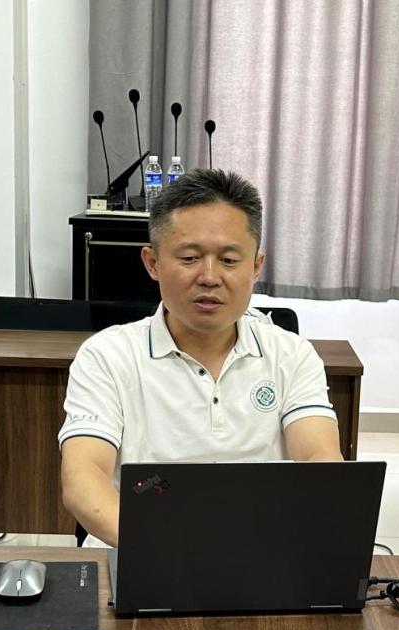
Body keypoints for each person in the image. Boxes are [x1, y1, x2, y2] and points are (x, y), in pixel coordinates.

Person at [58, 169, 342, 547]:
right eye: (190, 257)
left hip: (260, 550)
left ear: (256, 266)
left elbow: (320, 459)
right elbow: (83, 477)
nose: (209, 277)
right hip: (138, 548)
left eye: (229, 260)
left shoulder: (292, 355)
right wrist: (172, 551)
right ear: (152, 263)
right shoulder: (107, 356)